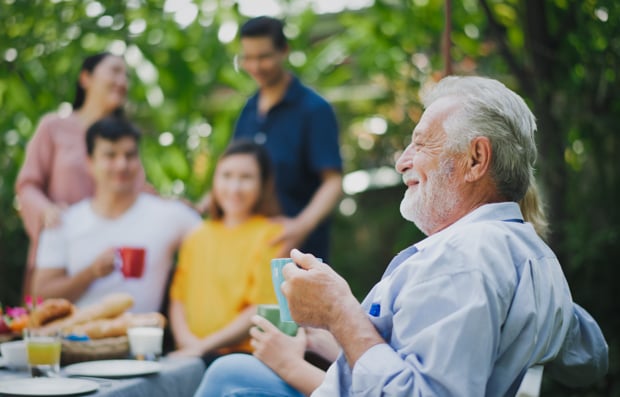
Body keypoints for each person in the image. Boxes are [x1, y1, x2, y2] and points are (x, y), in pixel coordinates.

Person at [197, 76, 608, 396]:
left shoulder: (464, 257)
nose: (400, 162)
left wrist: (341, 310)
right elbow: (591, 355)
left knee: (230, 373)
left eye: (420, 143)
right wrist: (337, 334)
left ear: (476, 159)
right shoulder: (530, 253)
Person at [15, 52, 151, 298]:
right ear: (86, 78)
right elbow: (27, 185)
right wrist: (45, 210)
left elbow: (139, 192)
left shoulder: (125, 140)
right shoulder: (53, 127)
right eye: (115, 71)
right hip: (60, 252)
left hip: (109, 259)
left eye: (126, 76)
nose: (123, 82)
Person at [32, 116, 200, 313]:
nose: (122, 165)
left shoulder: (170, 216)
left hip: (144, 340)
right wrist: (90, 273)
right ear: (89, 163)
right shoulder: (63, 222)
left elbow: (219, 244)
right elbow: (40, 298)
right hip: (76, 340)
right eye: (110, 156)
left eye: (130, 155)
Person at [232, 16, 343, 260]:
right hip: (251, 250)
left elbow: (332, 182)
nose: (255, 66)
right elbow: (233, 169)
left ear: (284, 51)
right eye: (248, 58)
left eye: (264, 57)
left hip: (300, 253)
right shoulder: (248, 110)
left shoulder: (314, 109)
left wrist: (301, 226)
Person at [168, 140, 284, 364]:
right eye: (227, 176)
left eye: (246, 178)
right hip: (188, 355)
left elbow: (260, 308)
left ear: (263, 184)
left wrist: (204, 346)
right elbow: (178, 298)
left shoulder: (271, 234)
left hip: (242, 358)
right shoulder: (196, 236)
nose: (234, 188)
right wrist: (187, 342)